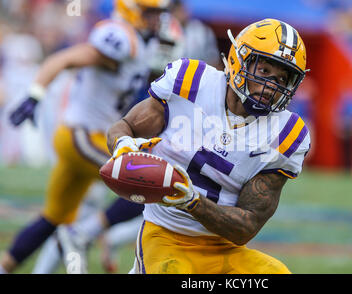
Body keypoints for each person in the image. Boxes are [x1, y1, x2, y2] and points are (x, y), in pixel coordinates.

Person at [108, 18, 311, 274]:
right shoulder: (190, 82)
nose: (272, 86)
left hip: (224, 249)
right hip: (166, 236)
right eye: (264, 71)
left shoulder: (286, 133)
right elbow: (125, 127)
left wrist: (193, 201)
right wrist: (123, 148)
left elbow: (246, 226)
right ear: (240, 60)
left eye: (282, 79)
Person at [0, 0, 171, 274]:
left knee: (54, 217)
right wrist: (35, 94)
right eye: (149, 12)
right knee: (151, 184)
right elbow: (64, 58)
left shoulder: (145, 42)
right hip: (81, 137)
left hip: (83, 140)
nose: (156, 19)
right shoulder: (120, 38)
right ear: (131, 10)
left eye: (158, 13)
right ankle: (86, 233)